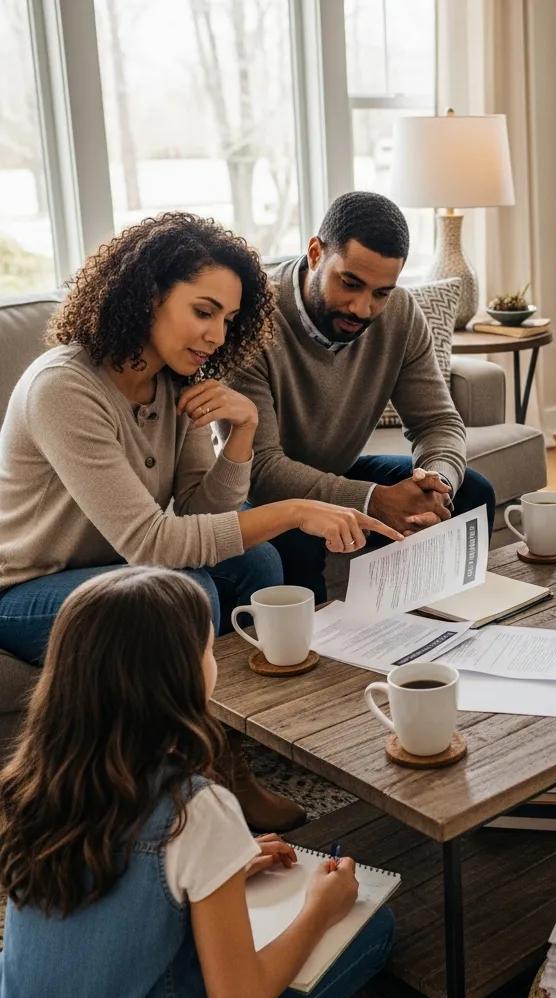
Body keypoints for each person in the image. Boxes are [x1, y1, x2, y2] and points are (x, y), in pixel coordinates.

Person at [0, 212, 402, 830]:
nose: (217, 335)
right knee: (186, 593)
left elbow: (200, 513)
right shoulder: (65, 387)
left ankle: (253, 747)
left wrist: (240, 435)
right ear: (147, 295)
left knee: (257, 561)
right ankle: (210, 777)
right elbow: (155, 542)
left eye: (229, 319)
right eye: (204, 311)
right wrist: (295, 510)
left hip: (118, 568)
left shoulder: (173, 380)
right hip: (27, 589)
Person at [0, 566, 394, 998]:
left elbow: (107, 897)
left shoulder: (30, 783)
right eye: (208, 650)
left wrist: (220, 873)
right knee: (376, 927)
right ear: (179, 677)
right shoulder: (194, 808)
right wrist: (320, 910)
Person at [223, 191, 496, 602]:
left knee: (471, 493)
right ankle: (324, 661)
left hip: (337, 470)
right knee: (294, 541)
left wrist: (436, 483)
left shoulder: (400, 314)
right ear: (315, 252)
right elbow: (260, 469)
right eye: (349, 283)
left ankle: (436, 631)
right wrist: (372, 501)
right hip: (260, 497)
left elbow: (437, 422)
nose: (363, 308)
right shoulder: (252, 318)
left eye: (381, 292)